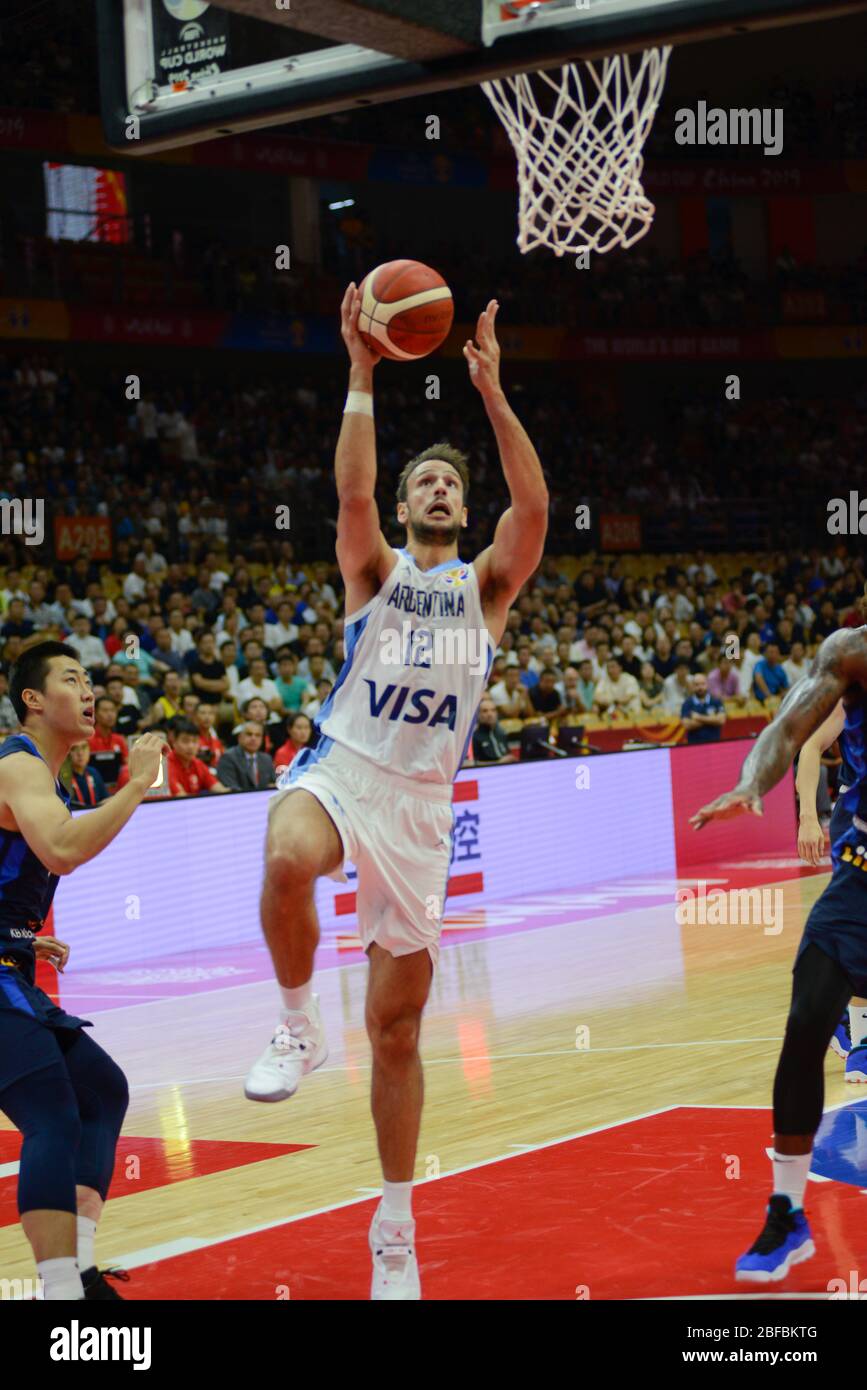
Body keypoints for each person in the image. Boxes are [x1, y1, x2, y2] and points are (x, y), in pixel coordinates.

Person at [244, 287, 547, 1300]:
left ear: (461, 508)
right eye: (423, 480)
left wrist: (494, 397)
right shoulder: (370, 572)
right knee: (286, 851)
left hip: (423, 808)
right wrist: (363, 372)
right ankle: (294, 1020)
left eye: (446, 484)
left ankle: (395, 1225)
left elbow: (536, 511)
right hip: (344, 769)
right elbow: (354, 497)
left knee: (399, 1030)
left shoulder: (486, 591)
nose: (433, 491)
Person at [691, 623, 867, 1282]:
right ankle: (787, 1213)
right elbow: (786, 731)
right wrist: (749, 783)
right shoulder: (851, 653)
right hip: (858, 883)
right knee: (803, 1028)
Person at [0, 641, 163, 1299]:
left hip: (12, 964)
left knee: (100, 1091)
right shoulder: (18, 763)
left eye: (90, 677)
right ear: (33, 700)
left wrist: (19, 936)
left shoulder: (42, 774)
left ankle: (79, 1268)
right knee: (54, 1115)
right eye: (71, 678)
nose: (88, 689)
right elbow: (63, 850)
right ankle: (60, 1289)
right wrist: (136, 785)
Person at [794, 699, 867, 1081]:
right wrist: (808, 816)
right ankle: (861, 1042)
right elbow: (810, 746)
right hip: (855, 820)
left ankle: (836, 1013)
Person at [165, 717, 230, 797]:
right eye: (185, 741)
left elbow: (218, 788)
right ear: (174, 742)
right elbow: (180, 798)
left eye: (195, 741)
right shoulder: (166, 765)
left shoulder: (198, 764)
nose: (191, 746)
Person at [216, 721, 276, 790]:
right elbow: (231, 789)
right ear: (239, 738)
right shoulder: (228, 758)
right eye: (249, 734)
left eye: (258, 735)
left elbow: (274, 784)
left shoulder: (266, 759)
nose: (253, 738)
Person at [680, 671, 726, 744]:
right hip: (694, 745)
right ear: (692, 686)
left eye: (703, 684)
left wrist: (698, 717)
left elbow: (721, 720)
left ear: (707, 685)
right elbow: (687, 725)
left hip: (715, 744)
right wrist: (712, 719)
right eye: (697, 685)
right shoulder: (687, 703)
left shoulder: (716, 701)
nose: (700, 687)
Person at [470, 695, 514, 765]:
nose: (490, 714)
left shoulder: (502, 734)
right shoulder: (474, 737)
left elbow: (508, 755)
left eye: (493, 710)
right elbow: (473, 764)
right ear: (478, 715)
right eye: (485, 711)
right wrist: (498, 763)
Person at [67, 740, 108, 809]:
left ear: (89, 750)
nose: (80, 753)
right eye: (74, 748)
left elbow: (105, 798)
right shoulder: (62, 778)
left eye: (84, 747)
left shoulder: (94, 772)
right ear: (67, 753)